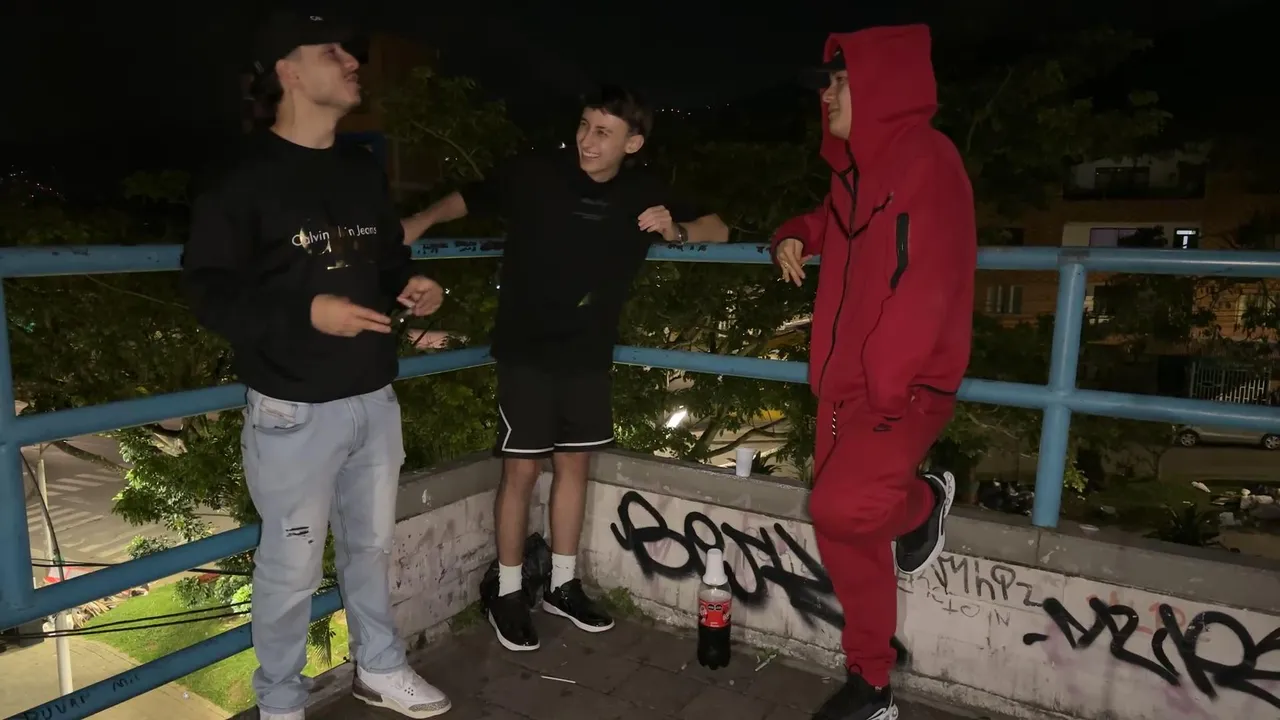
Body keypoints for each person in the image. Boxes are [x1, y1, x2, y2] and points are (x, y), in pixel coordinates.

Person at [182, 11, 451, 719]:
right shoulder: (241, 177)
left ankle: (379, 666)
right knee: (291, 568)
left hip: (374, 397)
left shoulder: (360, 168)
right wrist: (307, 312)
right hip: (292, 407)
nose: (352, 60)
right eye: (331, 51)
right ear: (290, 72)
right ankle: (280, 702)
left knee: (370, 549)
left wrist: (412, 285)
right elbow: (208, 290)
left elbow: (385, 259)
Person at [403, 85, 728, 652]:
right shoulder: (538, 174)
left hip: (588, 354)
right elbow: (469, 197)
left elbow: (718, 228)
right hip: (527, 350)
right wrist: (418, 221)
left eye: (603, 131)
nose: (586, 140)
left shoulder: (644, 191)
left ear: (633, 143)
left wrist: (676, 230)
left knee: (574, 467)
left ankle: (562, 584)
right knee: (522, 472)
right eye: (583, 125)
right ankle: (508, 592)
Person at [771, 24, 976, 720]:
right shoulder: (855, 175)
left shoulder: (928, 160)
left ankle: (922, 503)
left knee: (839, 506)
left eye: (840, 81)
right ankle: (872, 686)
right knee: (844, 539)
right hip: (842, 388)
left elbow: (925, 285)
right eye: (825, 85)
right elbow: (830, 221)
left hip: (904, 389)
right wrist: (794, 234)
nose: (826, 96)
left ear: (884, 86)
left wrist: (886, 389)